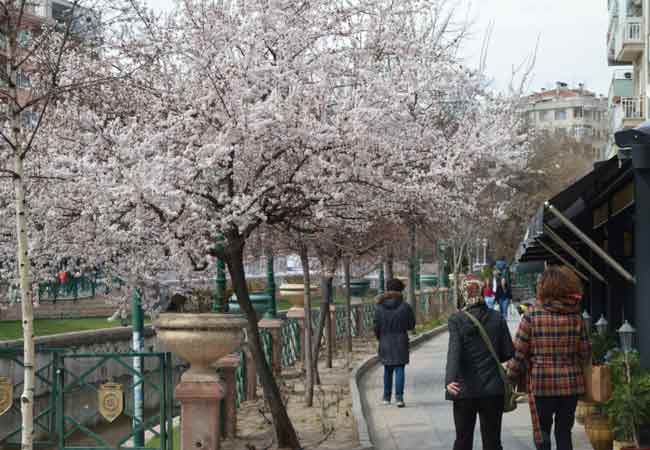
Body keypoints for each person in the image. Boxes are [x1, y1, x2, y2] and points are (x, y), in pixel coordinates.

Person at [507, 266, 591, 450]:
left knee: (542, 434)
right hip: (571, 385)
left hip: (541, 385)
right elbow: (585, 353)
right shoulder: (576, 317)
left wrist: (509, 377)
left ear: (544, 288)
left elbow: (519, 353)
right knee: (564, 433)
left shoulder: (531, 315)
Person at [445, 275, 515, 450]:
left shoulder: (456, 319)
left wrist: (450, 380)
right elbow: (507, 353)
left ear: (462, 295)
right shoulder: (497, 317)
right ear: (482, 293)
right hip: (492, 389)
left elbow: (454, 351)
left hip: (463, 389)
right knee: (492, 441)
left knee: (462, 439)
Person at [374, 278, 416, 408]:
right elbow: (411, 325)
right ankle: (399, 398)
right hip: (400, 340)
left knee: (387, 369)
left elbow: (376, 326)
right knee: (399, 369)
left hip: (385, 340)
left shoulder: (379, 307)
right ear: (400, 290)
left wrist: (380, 338)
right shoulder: (405, 306)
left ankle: (386, 397)